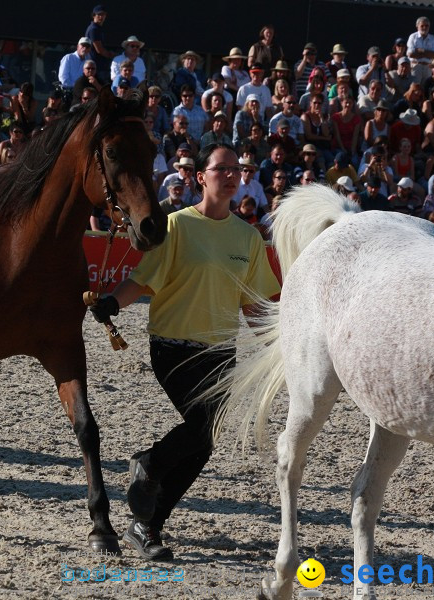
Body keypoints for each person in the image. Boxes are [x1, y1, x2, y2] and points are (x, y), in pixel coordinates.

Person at [88, 143, 280, 561]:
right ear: (201, 177)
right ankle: (151, 465)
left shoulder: (248, 237)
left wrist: (278, 349)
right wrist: (110, 304)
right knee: (200, 430)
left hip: (222, 354)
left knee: (204, 440)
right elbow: (142, 280)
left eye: (237, 169)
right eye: (221, 168)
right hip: (173, 347)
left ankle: (146, 526)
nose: (230, 175)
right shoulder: (175, 225)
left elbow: (255, 307)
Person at [85, 5, 114, 82]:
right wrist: (111, 55)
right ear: (94, 15)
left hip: (100, 66)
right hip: (97, 67)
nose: (101, 17)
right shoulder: (93, 29)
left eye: (103, 14)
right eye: (99, 14)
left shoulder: (98, 28)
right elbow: (99, 50)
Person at [407, 16, 434, 83]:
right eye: (422, 26)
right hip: (416, 66)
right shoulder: (413, 37)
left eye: (426, 26)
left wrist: (421, 51)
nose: (424, 27)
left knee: (426, 89)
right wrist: (428, 54)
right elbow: (410, 54)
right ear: (417, 26)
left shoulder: (432, 38)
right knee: (415, 88)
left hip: (428, 67)